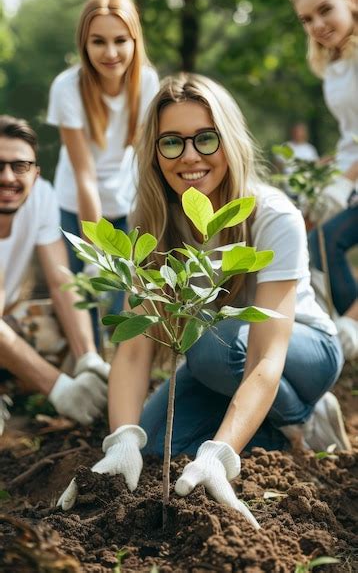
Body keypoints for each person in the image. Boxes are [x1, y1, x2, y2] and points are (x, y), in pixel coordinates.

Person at [58, 74, 351, 521]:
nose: (189, 156)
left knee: (210, 342)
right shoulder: (154, 224)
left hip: (299, 352)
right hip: (217, 355)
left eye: (205, 139)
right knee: (155, 445)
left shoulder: (272, 215)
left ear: (228, 140)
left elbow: (266, 358)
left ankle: (301, 415)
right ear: (155, 155)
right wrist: (121, 441)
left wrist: (220, 455)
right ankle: (274, 434)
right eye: (171, 143)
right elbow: (134, 351)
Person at [0, 115, 110, 430]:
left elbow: (61, 281)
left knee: (60, 332)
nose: (8, 177)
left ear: (35, 174)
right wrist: (59, 388)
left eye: (19, 166)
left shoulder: (41, 196)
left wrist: (88, 357)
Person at [47, 0, 160, 283]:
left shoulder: (147, 82)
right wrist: (94, 251)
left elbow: (147, 159)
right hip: (74, 208)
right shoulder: (67, 87)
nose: (110, 53)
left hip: (125, 206)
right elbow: (85, 175)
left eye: (120, 40)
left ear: (135, 41)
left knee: (122, 306)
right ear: (84, 44)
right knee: (84, 295)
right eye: (98, 41)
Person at [289, 0, 358, 360]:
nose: (317, 25)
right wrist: (324, 171)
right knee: (315, 242)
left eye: (324, 10)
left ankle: (351, 324)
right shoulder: (335, 63)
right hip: (350, 173)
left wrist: (346, 180)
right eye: (306, 19)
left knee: (327, 240)